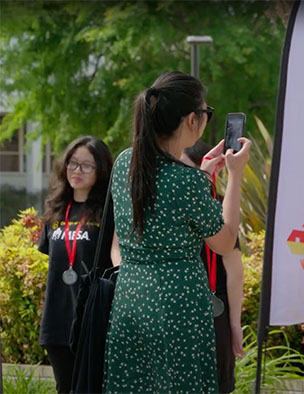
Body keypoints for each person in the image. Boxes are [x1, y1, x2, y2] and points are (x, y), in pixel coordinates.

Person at [103, 71, 250, 393]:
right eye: (206, 114)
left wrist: (203, 175)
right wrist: (235, 176)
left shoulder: (125, 163)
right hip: (178, 303)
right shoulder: (186, 182)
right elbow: (225, 243)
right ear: (191, 120)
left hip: (131, 298)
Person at [38, 136, 113, 393]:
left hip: (92, 320)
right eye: (72, 163)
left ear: (101, 171)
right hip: (57, 321)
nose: (76, 171)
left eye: (86, 166)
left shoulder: (108, 212)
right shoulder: (56, 210)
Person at [181, 140, 245, 393]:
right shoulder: (168, 206)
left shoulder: (220, 207)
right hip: (176, 309)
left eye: (187, 169)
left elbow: (234, 270)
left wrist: (234, 325)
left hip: (213, 313)